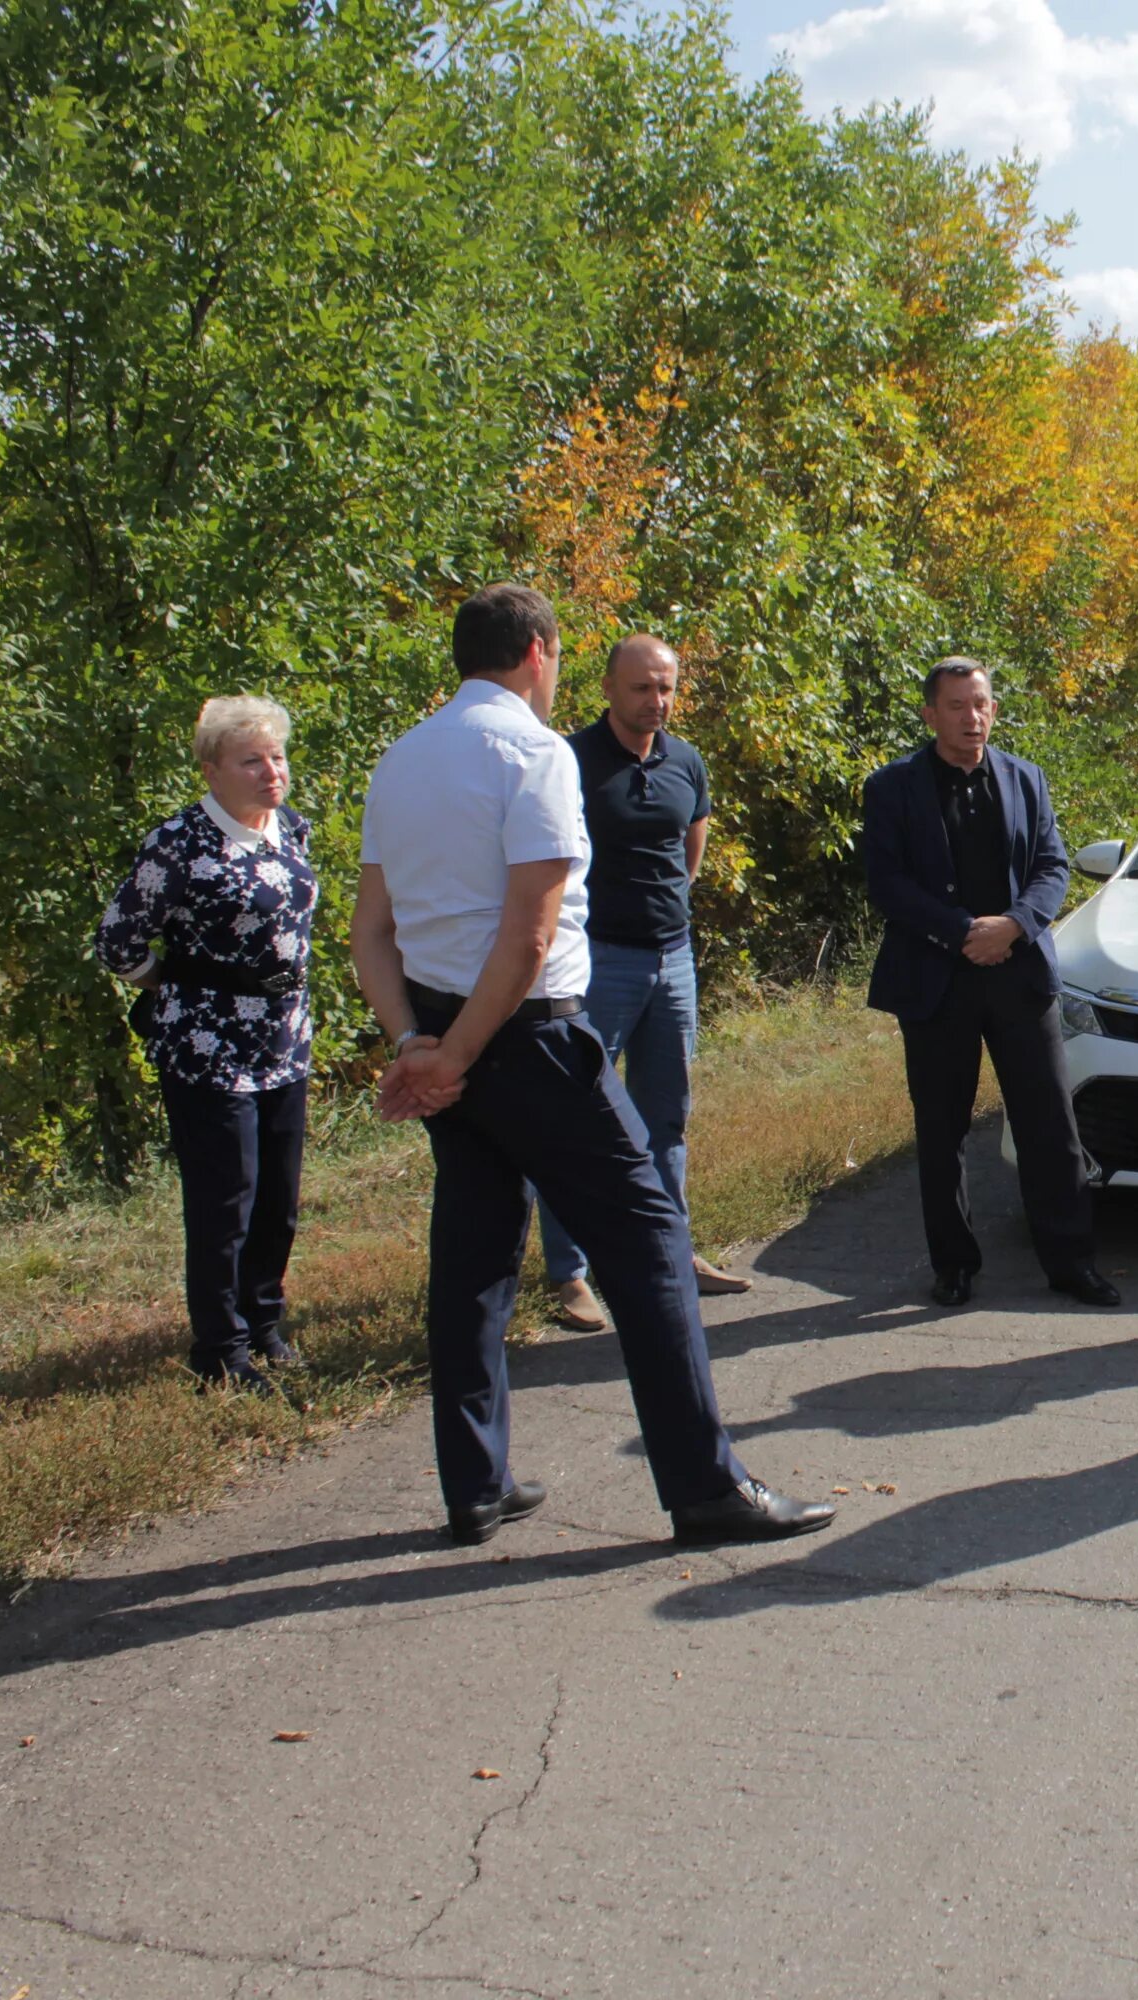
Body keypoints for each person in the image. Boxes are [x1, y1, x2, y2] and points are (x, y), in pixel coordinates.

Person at [349, 584, 833, 1548]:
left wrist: (419, 1045)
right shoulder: (534, 755)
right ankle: (704, 1486)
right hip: (526, 1032)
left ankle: (474, 1484)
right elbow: (528, 939)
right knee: (651, 1239)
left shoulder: (401, 759)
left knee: (477, 1248)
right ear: (539, 653)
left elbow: (372, 934)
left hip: (450, 1027)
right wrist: (457, 1055)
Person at [861, 658, 1120, 1310]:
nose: (971, 717)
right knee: (942, 1130)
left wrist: (1016, 924)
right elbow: (886, 883)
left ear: (994, 709)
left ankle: (1070, 1263)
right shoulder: (892, 787)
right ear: (929, 714)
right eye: (956, 706)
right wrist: (960, 932)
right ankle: (953, 1264)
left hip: (1018, 976)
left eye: (980, 704)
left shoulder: (1026, 779)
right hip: (934, 980)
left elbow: (1052, 865)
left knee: (1049, 1127)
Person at [96, 695, 321, 1395]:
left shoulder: (291, 830)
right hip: (207, 1045)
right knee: (228, 1199)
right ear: (211, 769)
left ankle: (262, 1324)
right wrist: (176, 984)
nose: (270, 771)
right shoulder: (179, 843)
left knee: (278, 1198)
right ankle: (220, 1349)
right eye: (251, 760)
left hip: (284, 1040)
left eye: (276, 757)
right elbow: (118, 941)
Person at [531, 632, 752, 1334]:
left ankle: (670, 1252)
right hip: (595, 962)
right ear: (606, 688)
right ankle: (569, 1275)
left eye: (665, 688)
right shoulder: (568, 760)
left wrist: (669, 912)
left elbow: (693, 840)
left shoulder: (685, 759)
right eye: (641, 688)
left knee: (667, 1116)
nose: (655, 701)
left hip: (673, 960)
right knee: (575, 1117)